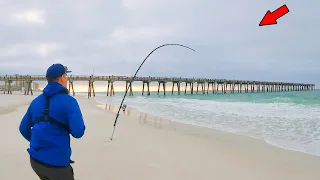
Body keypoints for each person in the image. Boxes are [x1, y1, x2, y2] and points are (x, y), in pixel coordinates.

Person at [19, 63, 86, 180]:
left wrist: (40, 142)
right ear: (61, 78)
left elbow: (23, 128)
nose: (67, 79)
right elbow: (78, 132)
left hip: (36, 161)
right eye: (66, 76)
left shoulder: (36, 101)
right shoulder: (70, 102)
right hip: (57, 165)